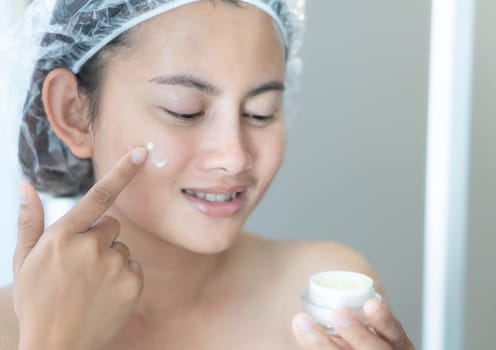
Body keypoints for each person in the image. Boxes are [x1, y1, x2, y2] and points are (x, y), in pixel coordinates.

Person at [0, 0, 415, 349]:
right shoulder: (13, 330)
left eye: (260, 112)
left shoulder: (323, 301)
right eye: (185, 111)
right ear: (73, 113)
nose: (234, 158)